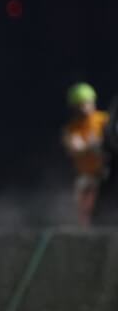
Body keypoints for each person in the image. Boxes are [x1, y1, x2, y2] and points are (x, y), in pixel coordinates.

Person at [62, 82, 109, 227]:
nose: (84, 107)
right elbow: (75, 148)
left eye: (87, 103)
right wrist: (93, 145)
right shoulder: (72, 128)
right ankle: (87, 231)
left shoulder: (104, 120)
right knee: (84, 202)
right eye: (80, 104)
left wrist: (95, 145)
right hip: (88, 176)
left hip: (108, 173)